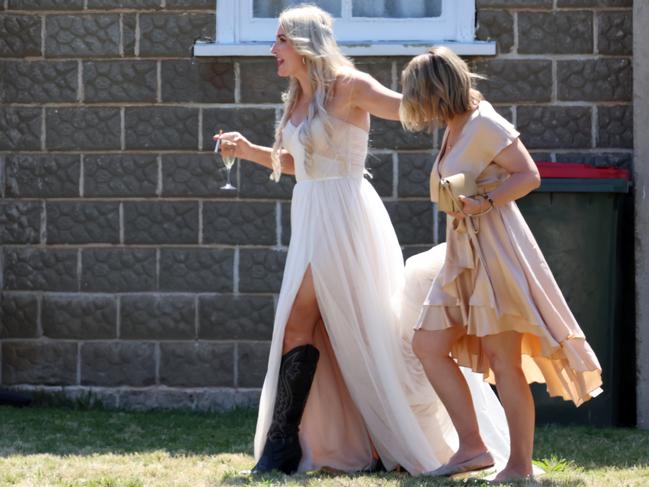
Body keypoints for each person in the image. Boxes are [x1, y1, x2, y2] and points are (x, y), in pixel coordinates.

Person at [214, 5, 511, 477]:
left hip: (347, 219)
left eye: (281, 41)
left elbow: (411, 110)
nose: (272, 50)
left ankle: (282, 445)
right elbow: (301, 166)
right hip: (311, 215)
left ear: (305, 42)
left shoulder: (352, 86)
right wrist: (249, 151)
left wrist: (465, 109)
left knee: (301, 319)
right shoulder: (296, 96)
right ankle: (348, 443)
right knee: (341, 334)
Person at [399, 46, 603, 482]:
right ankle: (472, 447)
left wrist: (484, 201)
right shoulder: (454, 127)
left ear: (438, 90)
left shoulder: (485, 123)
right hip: (463, 257)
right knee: (427, 345)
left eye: (419, 95)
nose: (416, 106)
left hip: (495, 253)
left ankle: (520, 467)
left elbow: (529, 175)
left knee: (503, 359)